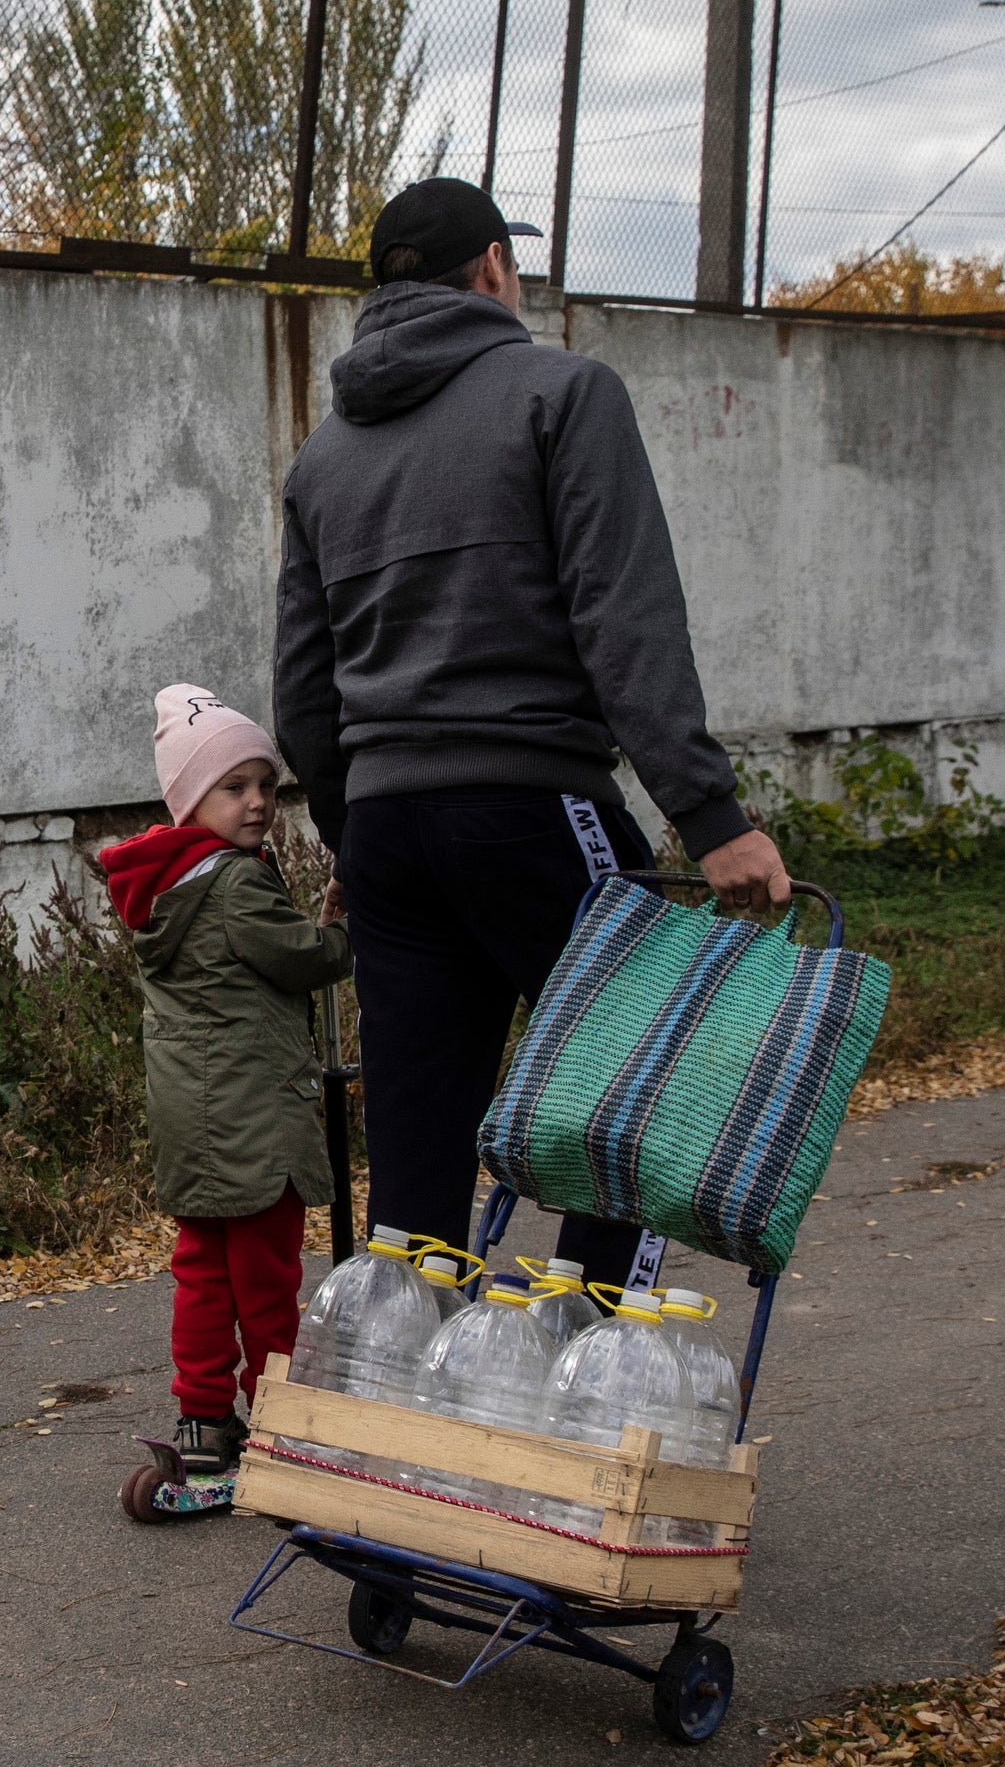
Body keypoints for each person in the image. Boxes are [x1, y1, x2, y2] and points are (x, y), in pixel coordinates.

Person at [272, 177, 790, 1287]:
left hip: (389, 835)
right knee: (640, 1083)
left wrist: (346, 833)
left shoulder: (322, 460)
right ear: (496, 268)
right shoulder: (564, 394)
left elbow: (304, 686)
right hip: (529, 804)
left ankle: (399, 1408)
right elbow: (626, 616)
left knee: (417, 1139)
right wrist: (712, 816)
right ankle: (589, 1365)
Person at [92, 684, 352, 1468]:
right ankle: (281, 1414)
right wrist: (342, 926)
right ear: (187, 798)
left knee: (204, 1272)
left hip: (193, 1121)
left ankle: (204, 1419)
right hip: (251, 1120)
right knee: (268, 1276)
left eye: (267, 786)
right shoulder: (234, 882)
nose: (259, 803)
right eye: (233, 787)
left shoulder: (162, 882)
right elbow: (303, 958)